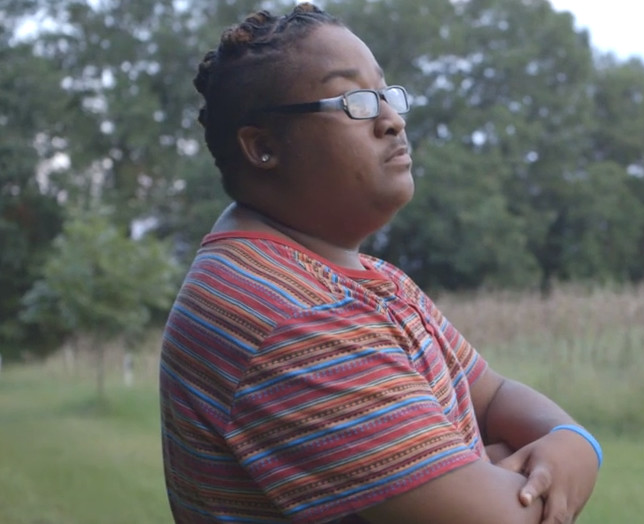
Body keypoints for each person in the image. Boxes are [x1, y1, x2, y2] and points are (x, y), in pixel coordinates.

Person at [159, 4, 601, 523]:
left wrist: (573, 442)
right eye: (355, 102)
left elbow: (493, 396)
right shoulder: (290, 315)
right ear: (262, 147)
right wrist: (495, 464)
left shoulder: (371, 279)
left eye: (386, 95)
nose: (392, 119)